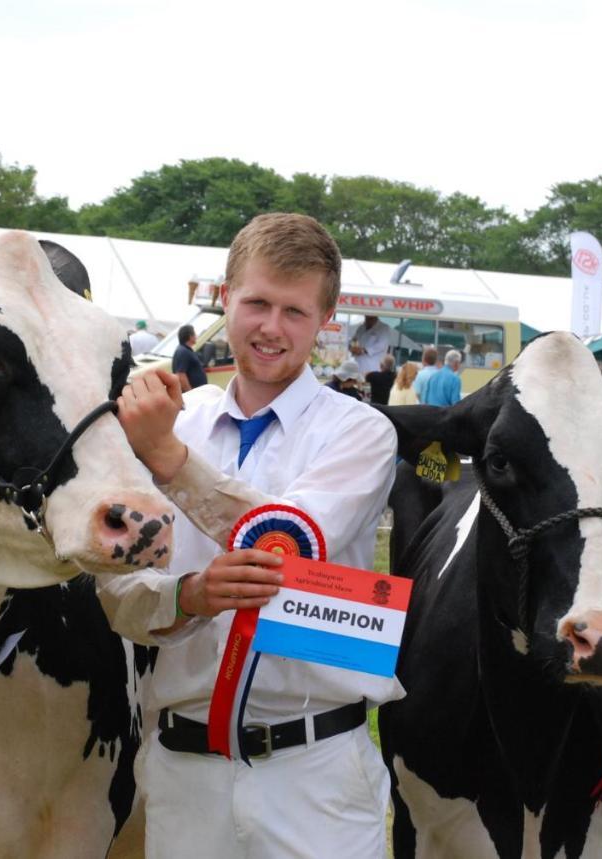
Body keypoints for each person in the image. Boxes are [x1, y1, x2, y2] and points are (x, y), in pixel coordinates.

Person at [97, 213, 400, 859]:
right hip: (183, 767)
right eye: (257, 301)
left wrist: (170, 461)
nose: (271, 326)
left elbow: (289, 541)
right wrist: (188, 596)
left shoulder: (363, 431)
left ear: (326, 319)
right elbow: (115, 593)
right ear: (225, 296)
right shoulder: (179, 419)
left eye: (295, 310)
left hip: (316, 766)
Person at [170, 323, 208, 391]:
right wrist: (190, 392)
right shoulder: (183, 352)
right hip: (192, 394)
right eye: (195, 334)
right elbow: (181, 374)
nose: (196, 336)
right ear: (190, 336)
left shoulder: (186, 350)